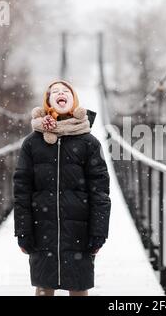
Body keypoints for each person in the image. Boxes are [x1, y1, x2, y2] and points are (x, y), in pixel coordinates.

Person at [13, 80, 111, 296]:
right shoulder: (32, 143)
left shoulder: (89, 143)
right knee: (43, 287)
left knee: (79, 287)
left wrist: (99, 231)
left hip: (80, 231)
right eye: (54, 92)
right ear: (48, 103)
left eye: (65, 91)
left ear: (73, 100)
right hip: (42, 230)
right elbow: (21, 190)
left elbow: (100, 192)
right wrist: (22, 230)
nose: (60, 93)